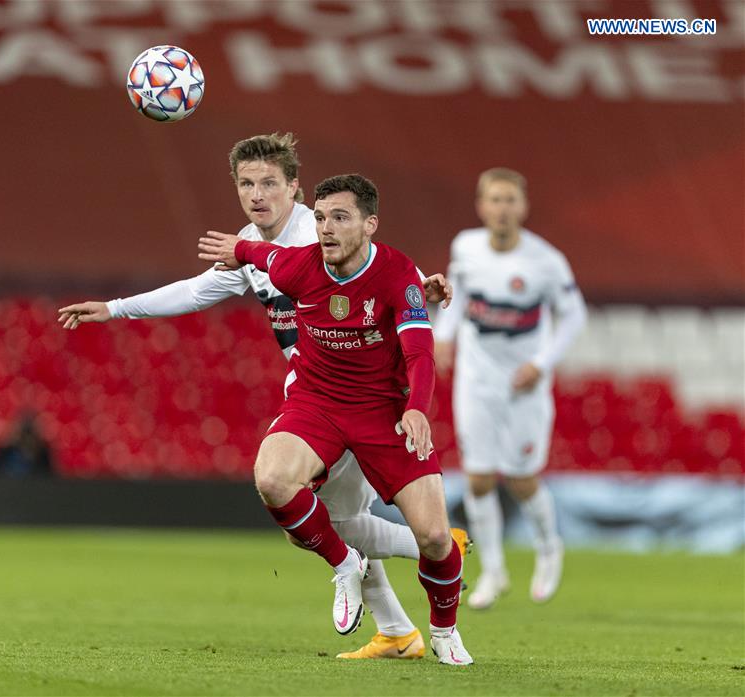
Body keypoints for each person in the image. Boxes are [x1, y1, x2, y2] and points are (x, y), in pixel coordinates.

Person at [58, 134, 463, 660]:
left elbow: (376, 267)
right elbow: (196, 291)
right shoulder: (251, 244)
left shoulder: (316, 232)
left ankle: (429, 558)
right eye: (246, 184)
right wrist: (115, 308)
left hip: (368, 397)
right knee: (315, 522)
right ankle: (398, 625)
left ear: (295, 188)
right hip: (315, 394)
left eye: (269, 183)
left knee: (327, 525)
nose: (257, 195)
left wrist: (420, 286)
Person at [198, 173, 474, 666]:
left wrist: (417, 407)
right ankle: (345, 564)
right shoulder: (298, 265)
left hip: (383, 410)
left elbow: (419, 352)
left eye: (340, 218)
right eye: (321, 217)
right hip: (317, 402)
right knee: (273, 480)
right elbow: (260, 254)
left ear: (370, 225)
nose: (325, 228)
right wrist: (237, 248)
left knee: (435, 537)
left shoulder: (398, 274)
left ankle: (444, 631)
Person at [432, 168, 587, 610]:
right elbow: (458, 297)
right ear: (481, 206)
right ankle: (493, 571)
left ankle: (549, 547)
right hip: (477, 379)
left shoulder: (546, 261)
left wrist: (541, 364)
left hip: (523, 385)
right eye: (495, 200)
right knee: (478, 479)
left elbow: (574, 315)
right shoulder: (466, 247)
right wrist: (444, 334)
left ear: (523, 206)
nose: (502, 209)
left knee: (521, 479)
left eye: (509, 200)